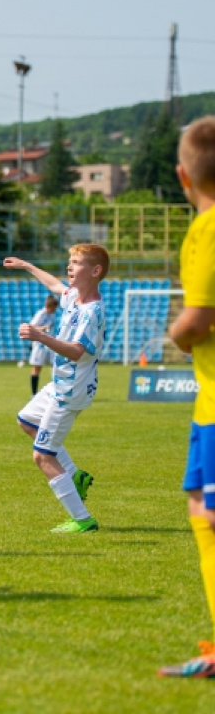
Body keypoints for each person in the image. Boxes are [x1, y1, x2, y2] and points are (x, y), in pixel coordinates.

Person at [158, 116, 215, 679]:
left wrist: (175, 334)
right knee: (201, 506)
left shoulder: (207, 229)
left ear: (182, 176)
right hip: (207, 406)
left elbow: (197, 319)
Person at [3, 244, 107, 534]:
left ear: (95, 271)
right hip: (60, 383)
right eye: (69, 261)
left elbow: (76, 351)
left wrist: (40, 336)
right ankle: (75, 477)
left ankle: (83, 519)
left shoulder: (92, 312)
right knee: (26, 420)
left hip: (70, 390)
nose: (69, 267)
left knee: (43, 456)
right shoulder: (74, 296)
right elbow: (54, 283)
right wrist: (27, 265)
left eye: (76, 263)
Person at [28, 296, 59, 395]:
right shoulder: (41, 314)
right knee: (37, 368)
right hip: (39, 345)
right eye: (54, 308)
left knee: (54, 366)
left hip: (49, 344)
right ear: (49, 306)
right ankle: (34, 394)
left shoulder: (51, 315)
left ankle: (57, 391)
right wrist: (43, 328)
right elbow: (31, 327)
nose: (55, 310)